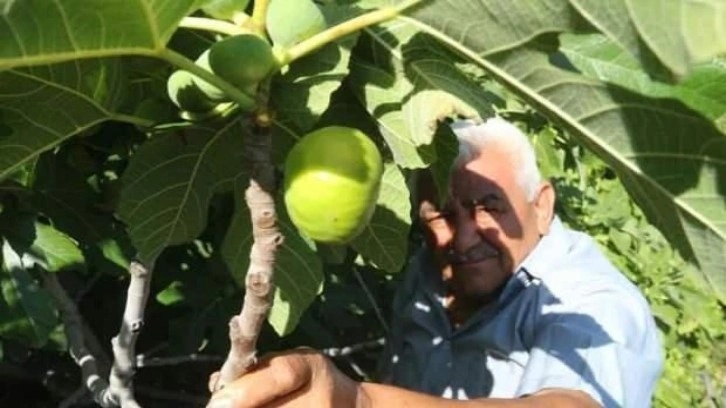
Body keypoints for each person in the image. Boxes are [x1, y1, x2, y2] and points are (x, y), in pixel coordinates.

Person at [206, 118, 663, 408]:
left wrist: (358, 402)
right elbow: (400, 373)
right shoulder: (430, 270)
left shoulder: (592, 301)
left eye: (489, 207)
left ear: (542, 206)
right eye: (442, 214)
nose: (462, 238)